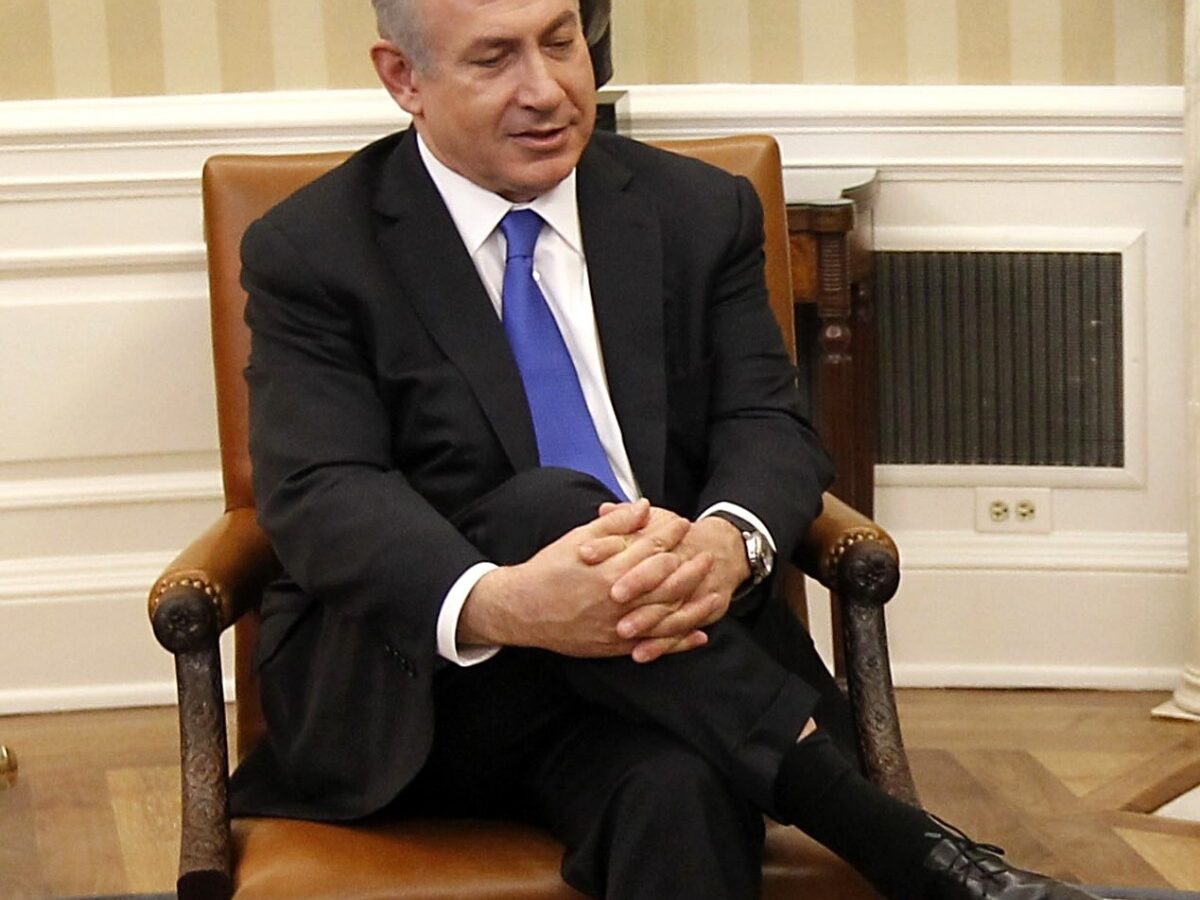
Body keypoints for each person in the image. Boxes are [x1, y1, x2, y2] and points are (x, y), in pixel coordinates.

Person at [228, 1, 1101, 897]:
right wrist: (510, 604)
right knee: (553, 507)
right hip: (429, 692)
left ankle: (900, 845)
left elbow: (767, 423)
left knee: (677, 790)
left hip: (662, 680)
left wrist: (727, 543)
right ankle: (896, 842)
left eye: (562, 43)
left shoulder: (694, 210)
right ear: (402, 78)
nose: (548, 90)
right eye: (494, 59)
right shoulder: (316, 250)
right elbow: (323, 488)